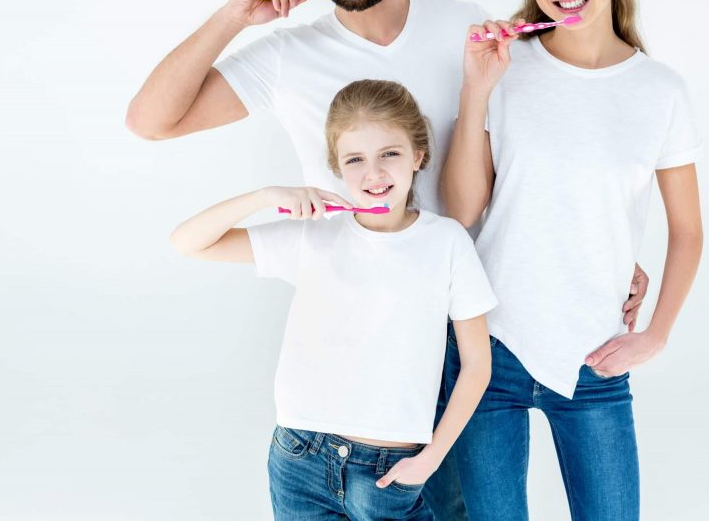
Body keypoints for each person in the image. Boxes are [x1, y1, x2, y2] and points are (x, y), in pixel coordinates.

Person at [128, 0, 649, 519]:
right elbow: (150, 121)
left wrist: (602, 251)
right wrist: (234, 15)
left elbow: (536, 149)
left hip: (461, 344)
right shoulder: (287, 58)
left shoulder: (460, 26)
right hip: (356, 355)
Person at [442, 0, 704, 520]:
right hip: (487, 350)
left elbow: (688, 231)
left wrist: (658, 335)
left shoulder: (659, 90)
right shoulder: (506, 68)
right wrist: (477, 91)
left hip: (595, 358)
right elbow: (459, 211)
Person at [170, 80, 496, 520]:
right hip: (299, 457)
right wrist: (266, 196)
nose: (373, 173)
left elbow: (477, 363)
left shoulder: (446, 242)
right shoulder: (314, 237)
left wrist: (432, 458)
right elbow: (188, 242)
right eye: (355, 159)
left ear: (418, 156)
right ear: (337, 167)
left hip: (389, 470)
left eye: (390, 154)